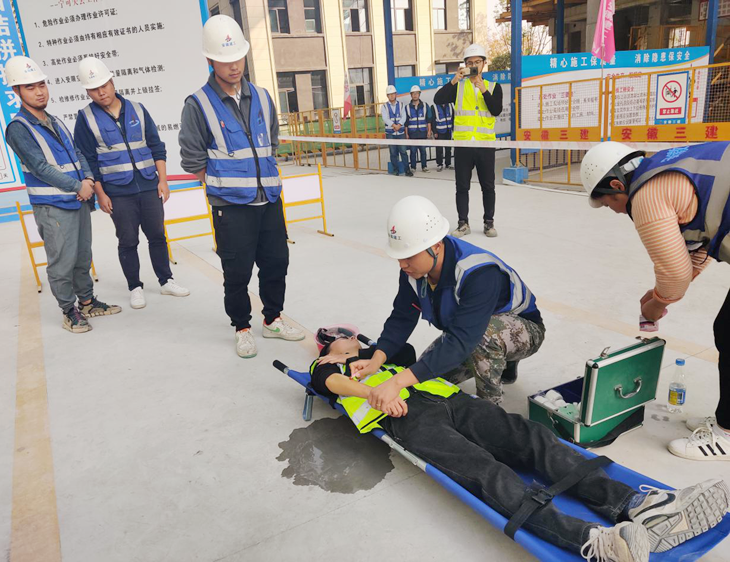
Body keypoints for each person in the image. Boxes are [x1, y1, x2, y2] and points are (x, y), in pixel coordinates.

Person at [310, 334, 730, 560]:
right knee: (484, 470)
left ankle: (638, 506)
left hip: (451, 400)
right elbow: (330, 383)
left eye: (352, 339)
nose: (348, 342)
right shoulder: (328, 368)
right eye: (339, 342)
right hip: (406, 418)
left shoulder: (384, 354)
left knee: (532, 438)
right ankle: (595, 543)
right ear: (326, 351)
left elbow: (407, 348)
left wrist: (374, 356)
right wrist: (372, 391)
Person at [581, 140, 730, 462]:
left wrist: (656, 304)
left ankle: (727, 435)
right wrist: (662, 293)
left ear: (617, 185)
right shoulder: (667, 166)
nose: (616, 211)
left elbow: (674, 275)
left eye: (609, 203)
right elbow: (700, 247)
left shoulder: (646, 194)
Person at [179, 15, 303, 358]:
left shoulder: (262, 97)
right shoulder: (198, 104)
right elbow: (192, 158)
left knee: (276, 263)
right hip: (231, 207)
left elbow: (272, 142)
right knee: (237, 272)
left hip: (270, 199)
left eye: (238, 58)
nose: (234, 66)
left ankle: (273, 319)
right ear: (210, 60)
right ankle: (242, 328)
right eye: (225, 60)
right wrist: (225, 185)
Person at [351, 195, 545, 405]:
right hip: (470, 327)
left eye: (409, 256)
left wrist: (396, 382)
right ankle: (501, 362)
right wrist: (377, 359)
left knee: (482, 339)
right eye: (399, 256)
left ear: (436, 246)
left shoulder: (478, 273)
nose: (402, 264)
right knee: (423, 381)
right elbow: (402, 317)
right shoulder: (413, 271)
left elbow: (462, 340)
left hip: (523, 329)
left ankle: (490, 409)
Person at [5, 56, 121, 333]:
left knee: (82, 256)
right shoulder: (19, 128)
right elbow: (40, 167)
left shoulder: (54, 121)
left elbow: (77, 152)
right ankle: (69, 311)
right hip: (53, 206)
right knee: (62, 262)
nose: (39, 92)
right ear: (17, 91)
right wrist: (78, 186)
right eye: (30, 87)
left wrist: (88, 179)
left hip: (78, 201)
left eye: (41, 85)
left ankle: (87, 302)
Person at [74, 57, 189, 309]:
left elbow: (156, 146)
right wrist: (101, 194)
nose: (101, 92)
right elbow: (88, 161)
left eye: (104, 85)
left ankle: (166, 280)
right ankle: (135, 287)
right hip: (117, 191)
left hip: (148, 184)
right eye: (94, 89)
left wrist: (163, 180)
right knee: (128, 240)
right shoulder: (85, 118)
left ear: (112, 81)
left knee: (157, 235)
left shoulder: (137, 109)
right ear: (87, 91)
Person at [434, 44, 502, 238]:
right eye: (470, 62)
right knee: (462, 187)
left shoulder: (493, 87)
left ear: (484, 63)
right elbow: (438, 99)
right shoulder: (459, 87)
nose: (473, 65)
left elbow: (496, 110)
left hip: (485, 145)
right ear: (464, 65)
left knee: (488, 186)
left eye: (477, 62)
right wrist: (454, 79)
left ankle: (489, 223)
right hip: (463, 145)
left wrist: (483, 90)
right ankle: (463, 223)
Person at [380, 85, 412, 177]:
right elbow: (385, 118)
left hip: (400, 132)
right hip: (390, 133)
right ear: (387, 96)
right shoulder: (384, 107)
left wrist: (399, 125)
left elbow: (404, 116)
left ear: (396, 94)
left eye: (393, 94)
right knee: (393, 152)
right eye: (389, 94)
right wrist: (394, 125)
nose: (391, 96)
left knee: (403, 152)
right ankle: (395, 170)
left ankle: (407, 170)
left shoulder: (401, 105)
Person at [405, 85, 432, 174]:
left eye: (416, 93)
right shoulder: (407, 107)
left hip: (422, 132)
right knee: (413, 151)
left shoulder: (425, 106)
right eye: (413, 93)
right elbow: (406, 123)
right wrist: (406, 134)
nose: (415, 95)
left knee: (423, 151)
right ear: (411, 95)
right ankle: (413, 167)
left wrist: (429, 131)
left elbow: (428, 120)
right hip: (412, 133)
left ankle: (424, 166)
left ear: (419, 94)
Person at [432, 99, 454, 172]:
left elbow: (453, 118)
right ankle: (439, 164)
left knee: (448, 149)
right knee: (439, 149)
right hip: (439, 131)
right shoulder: (434, 107)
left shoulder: (450, 105)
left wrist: (453, 129)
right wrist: (434, 132)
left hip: (448, 131)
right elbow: (433, 121)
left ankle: (448, 164)